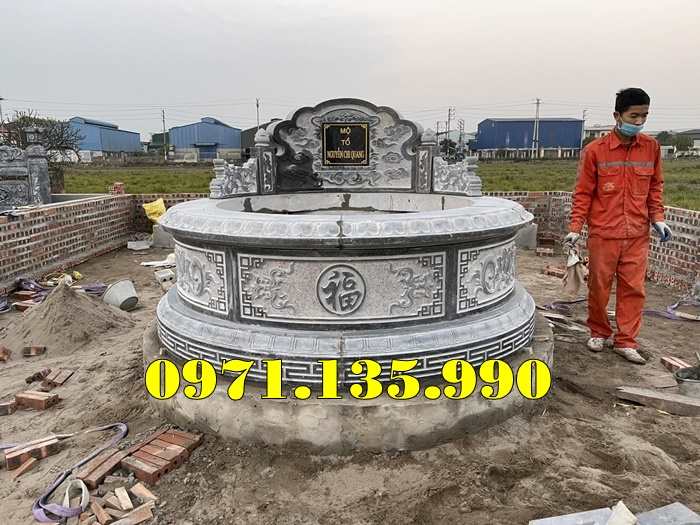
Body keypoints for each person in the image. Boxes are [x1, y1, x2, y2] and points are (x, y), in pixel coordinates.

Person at [564, 88, 672, 364]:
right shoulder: (595, 151)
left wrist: (658, 218)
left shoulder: (651, 148)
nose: (639, 121)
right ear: (617, 115)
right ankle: (599, 331)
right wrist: (575, 227)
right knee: (599, 287)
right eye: (633, 116)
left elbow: (655, 187)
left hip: (637, 233)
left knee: (633, 289)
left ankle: (626, 341)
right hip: (604, 233)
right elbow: (583, 193)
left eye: (644, 116)